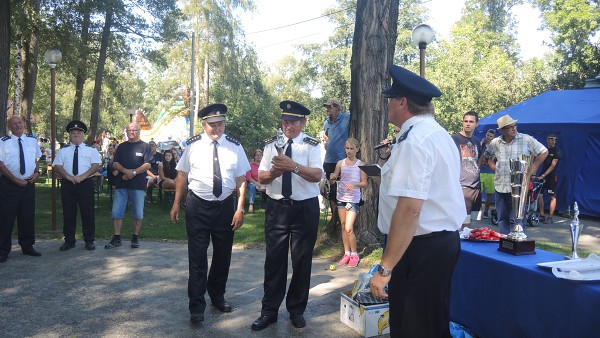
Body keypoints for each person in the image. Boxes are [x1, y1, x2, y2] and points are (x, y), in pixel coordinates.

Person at [369, 65, 465, 338]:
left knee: (412, 327)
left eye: (391, 99)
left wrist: (384, 268)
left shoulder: (415, 140)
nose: (388, 104)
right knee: (431, 323)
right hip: (436, 244)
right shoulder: (437, 134)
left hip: (420, 247)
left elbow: (410, 209)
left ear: (402, 102)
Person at [170, 103, 249, 324]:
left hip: (225, 207)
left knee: (223, 256)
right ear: (204, 125)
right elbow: (182, 176)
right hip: (197, 207)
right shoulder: (193, 146)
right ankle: (196, 306)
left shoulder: (235, 146)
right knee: (197, 258)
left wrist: (240, 208)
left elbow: (242, 179)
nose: (216, 128)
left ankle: (217, 296)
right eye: (212, 124)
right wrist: (176, 203)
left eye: (220, 123)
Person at [251, 100, 323, 331]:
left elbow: (317, 175)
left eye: (292, 122)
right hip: (277, 208)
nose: (287, 126)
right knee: (274, 261)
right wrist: (274, 171)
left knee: (302, 261)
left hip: (304, 209)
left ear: (303, 122)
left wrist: (293, 166)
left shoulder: (312, 145)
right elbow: (261, 177)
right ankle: (269, 311)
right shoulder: (272, 144)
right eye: (284, 121)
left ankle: (296, 310)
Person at [483, 114, 548, 234]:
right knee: (502, 218)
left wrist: (533, 168)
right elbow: (486, 156)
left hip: (519, 187)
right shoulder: (495, 142)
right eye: (509, 127)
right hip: (500, 185)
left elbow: (544, 151)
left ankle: (517, 242)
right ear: (502, 130)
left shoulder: (526, 139)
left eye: (514, 126)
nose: (514, 129)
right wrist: (494, 167)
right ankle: (504, 241)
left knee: (517, 219)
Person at [52, 120, 102, 251]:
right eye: (73, 132)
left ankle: (89, 240)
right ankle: (69, 241)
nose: (76, 134)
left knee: (88, 213)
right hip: (68, 185)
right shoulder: (63, 150)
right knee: (68, 213)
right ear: (69, 134)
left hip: (85, 184)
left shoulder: (91, 150)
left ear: (83, 134)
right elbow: (57, 165)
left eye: (78, 132)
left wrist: (82, 177)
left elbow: (96, 165)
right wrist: (68, 176)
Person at [0, 116, 43, 263]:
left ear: (23, 124)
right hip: (9, 185)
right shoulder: (3, 142)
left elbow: (36, 160)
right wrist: (14, 180)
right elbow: (1, 164)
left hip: (28, 185)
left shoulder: (31, 140)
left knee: (27, 217)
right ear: (10, 127)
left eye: (19, 122)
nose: (17, 125)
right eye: (14, 124)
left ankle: (27, 246)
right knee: (6, 217)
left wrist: (37, 174)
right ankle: (3, 250)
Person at [105, 122, 153, 249]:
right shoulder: (121, 146)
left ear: (139, 131)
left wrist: (134, 172)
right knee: (117, 212)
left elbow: (148, 164)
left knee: (138, 212)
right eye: (129, 130)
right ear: (126, 131)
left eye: (134, 130)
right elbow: (115, 164)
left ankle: (135, 237)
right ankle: (116, 237)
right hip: (121, 184)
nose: (131, 132)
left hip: (137, 185)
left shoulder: (145, 146)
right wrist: (126, 171)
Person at [329, 137, 367, 268]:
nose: (349, 151)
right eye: (347, 148)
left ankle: (355, 254)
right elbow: (334, 178)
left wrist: (355, 183)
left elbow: (365, 183)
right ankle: (347, 253)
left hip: (354, 199)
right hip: (341, 198)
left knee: (349, 228)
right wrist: (332, 178)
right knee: (343, 225)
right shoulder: (340, 163)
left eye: (352, 148)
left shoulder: (360, 164)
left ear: (357, 149)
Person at [451, 110, 483, 228]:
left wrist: (476, 169)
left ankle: (468, 244)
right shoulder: (454, 139)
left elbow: (480, 157)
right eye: (465, 121)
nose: (468, 124)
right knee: (462, 222)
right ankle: (460, 245)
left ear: (477, 124)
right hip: (462, 186)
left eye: (471, 121)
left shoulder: (476, 141)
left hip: (476, 187)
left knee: (473, 220)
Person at [322, 98, 350, 219]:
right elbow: (326, 137)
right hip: (329, 161)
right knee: (332, 192)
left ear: (337, 107)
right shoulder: (326, 123)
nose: (327, 109)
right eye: (326, 107)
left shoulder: (346, 117)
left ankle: (345, 217)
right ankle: (335, 219)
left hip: (342, 161)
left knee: (344, 190)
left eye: (330, 107)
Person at [537, 134, 562, 224]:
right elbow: (538, 162)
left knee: (552, 196)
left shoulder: (557, 151)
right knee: (539, 195)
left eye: (554, 139)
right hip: (542, 175)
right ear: (547, 140)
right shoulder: (544, 150)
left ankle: (550, 217)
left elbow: (553, 165)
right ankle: (542, 215)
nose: (553, 141)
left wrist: (543, 175)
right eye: (551, 139)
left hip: (551, 177)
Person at [480, 129, 497, 218]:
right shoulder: (481, 143)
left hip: (490, 172)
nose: (489, 137)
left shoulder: (495, 146)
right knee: (478, 193)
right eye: (488, 135)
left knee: (489, 194)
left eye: (491, 136)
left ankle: (486, 212)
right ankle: (478, 212)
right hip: (481, 171)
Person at [246, 149, 264, 213]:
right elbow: (248, 177)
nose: (259, 156)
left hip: (263, 182)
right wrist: (256, 183)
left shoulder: (264, 164)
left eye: (260, 155)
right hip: (252, 182)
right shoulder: (250, 165)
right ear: (254, 156)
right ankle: (251, 204)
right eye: (257, 155)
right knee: (252, 187)